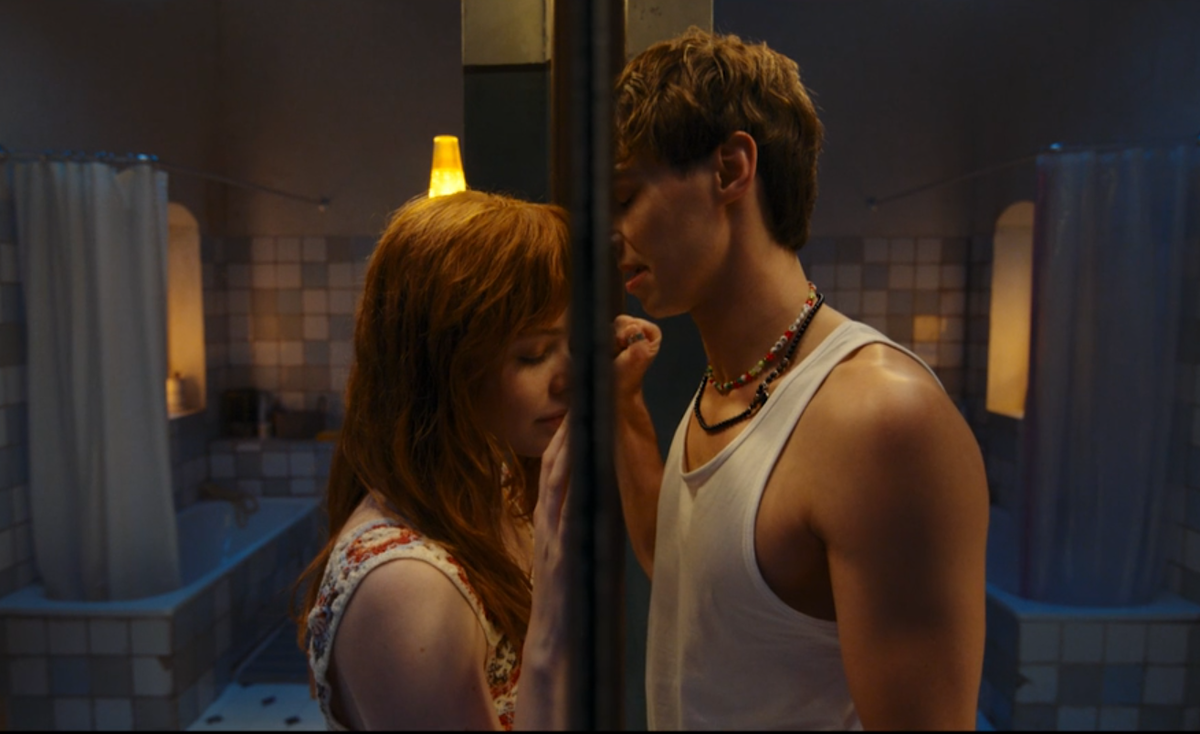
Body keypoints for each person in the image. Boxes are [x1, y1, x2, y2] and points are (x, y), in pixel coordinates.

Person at [610, 28, 989, 730]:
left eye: (626, 194)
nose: (610, 231)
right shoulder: (726, 389)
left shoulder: (881, 420)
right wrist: (623, 411)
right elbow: (693, 580)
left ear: (730, 169)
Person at [294, 190, 573, 730]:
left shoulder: (491, 485)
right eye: (533, 354)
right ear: (442, 369)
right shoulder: (407, 587)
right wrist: (557, 605)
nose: (569, 378)